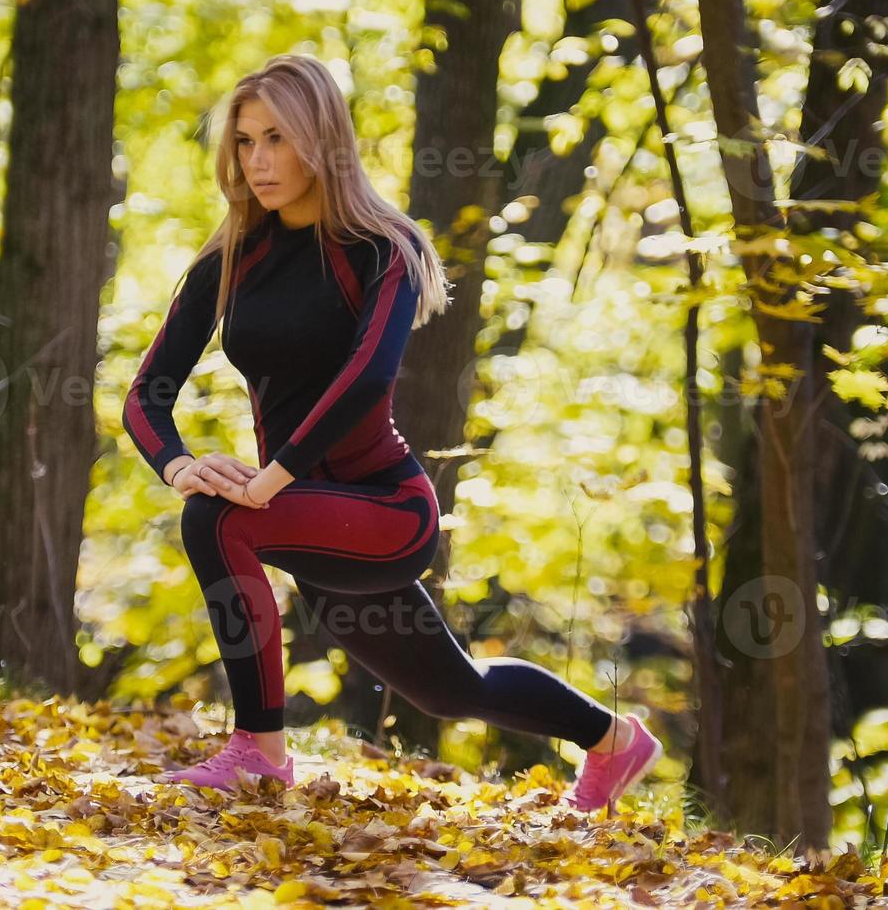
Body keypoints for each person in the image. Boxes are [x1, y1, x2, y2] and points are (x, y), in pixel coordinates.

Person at [121, 53, 662, 812]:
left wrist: (269, 478)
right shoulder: (234, 256)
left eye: (276, 137)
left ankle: (259, 755)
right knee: (451, 690)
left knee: (217, 520)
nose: (259, 160)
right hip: (309, 510)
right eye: (244, 142)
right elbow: (149, 392)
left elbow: (368, 378)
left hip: (385, 511)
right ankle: (614, 741)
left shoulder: (384, 250)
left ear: (322, 139)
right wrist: (177, 464)